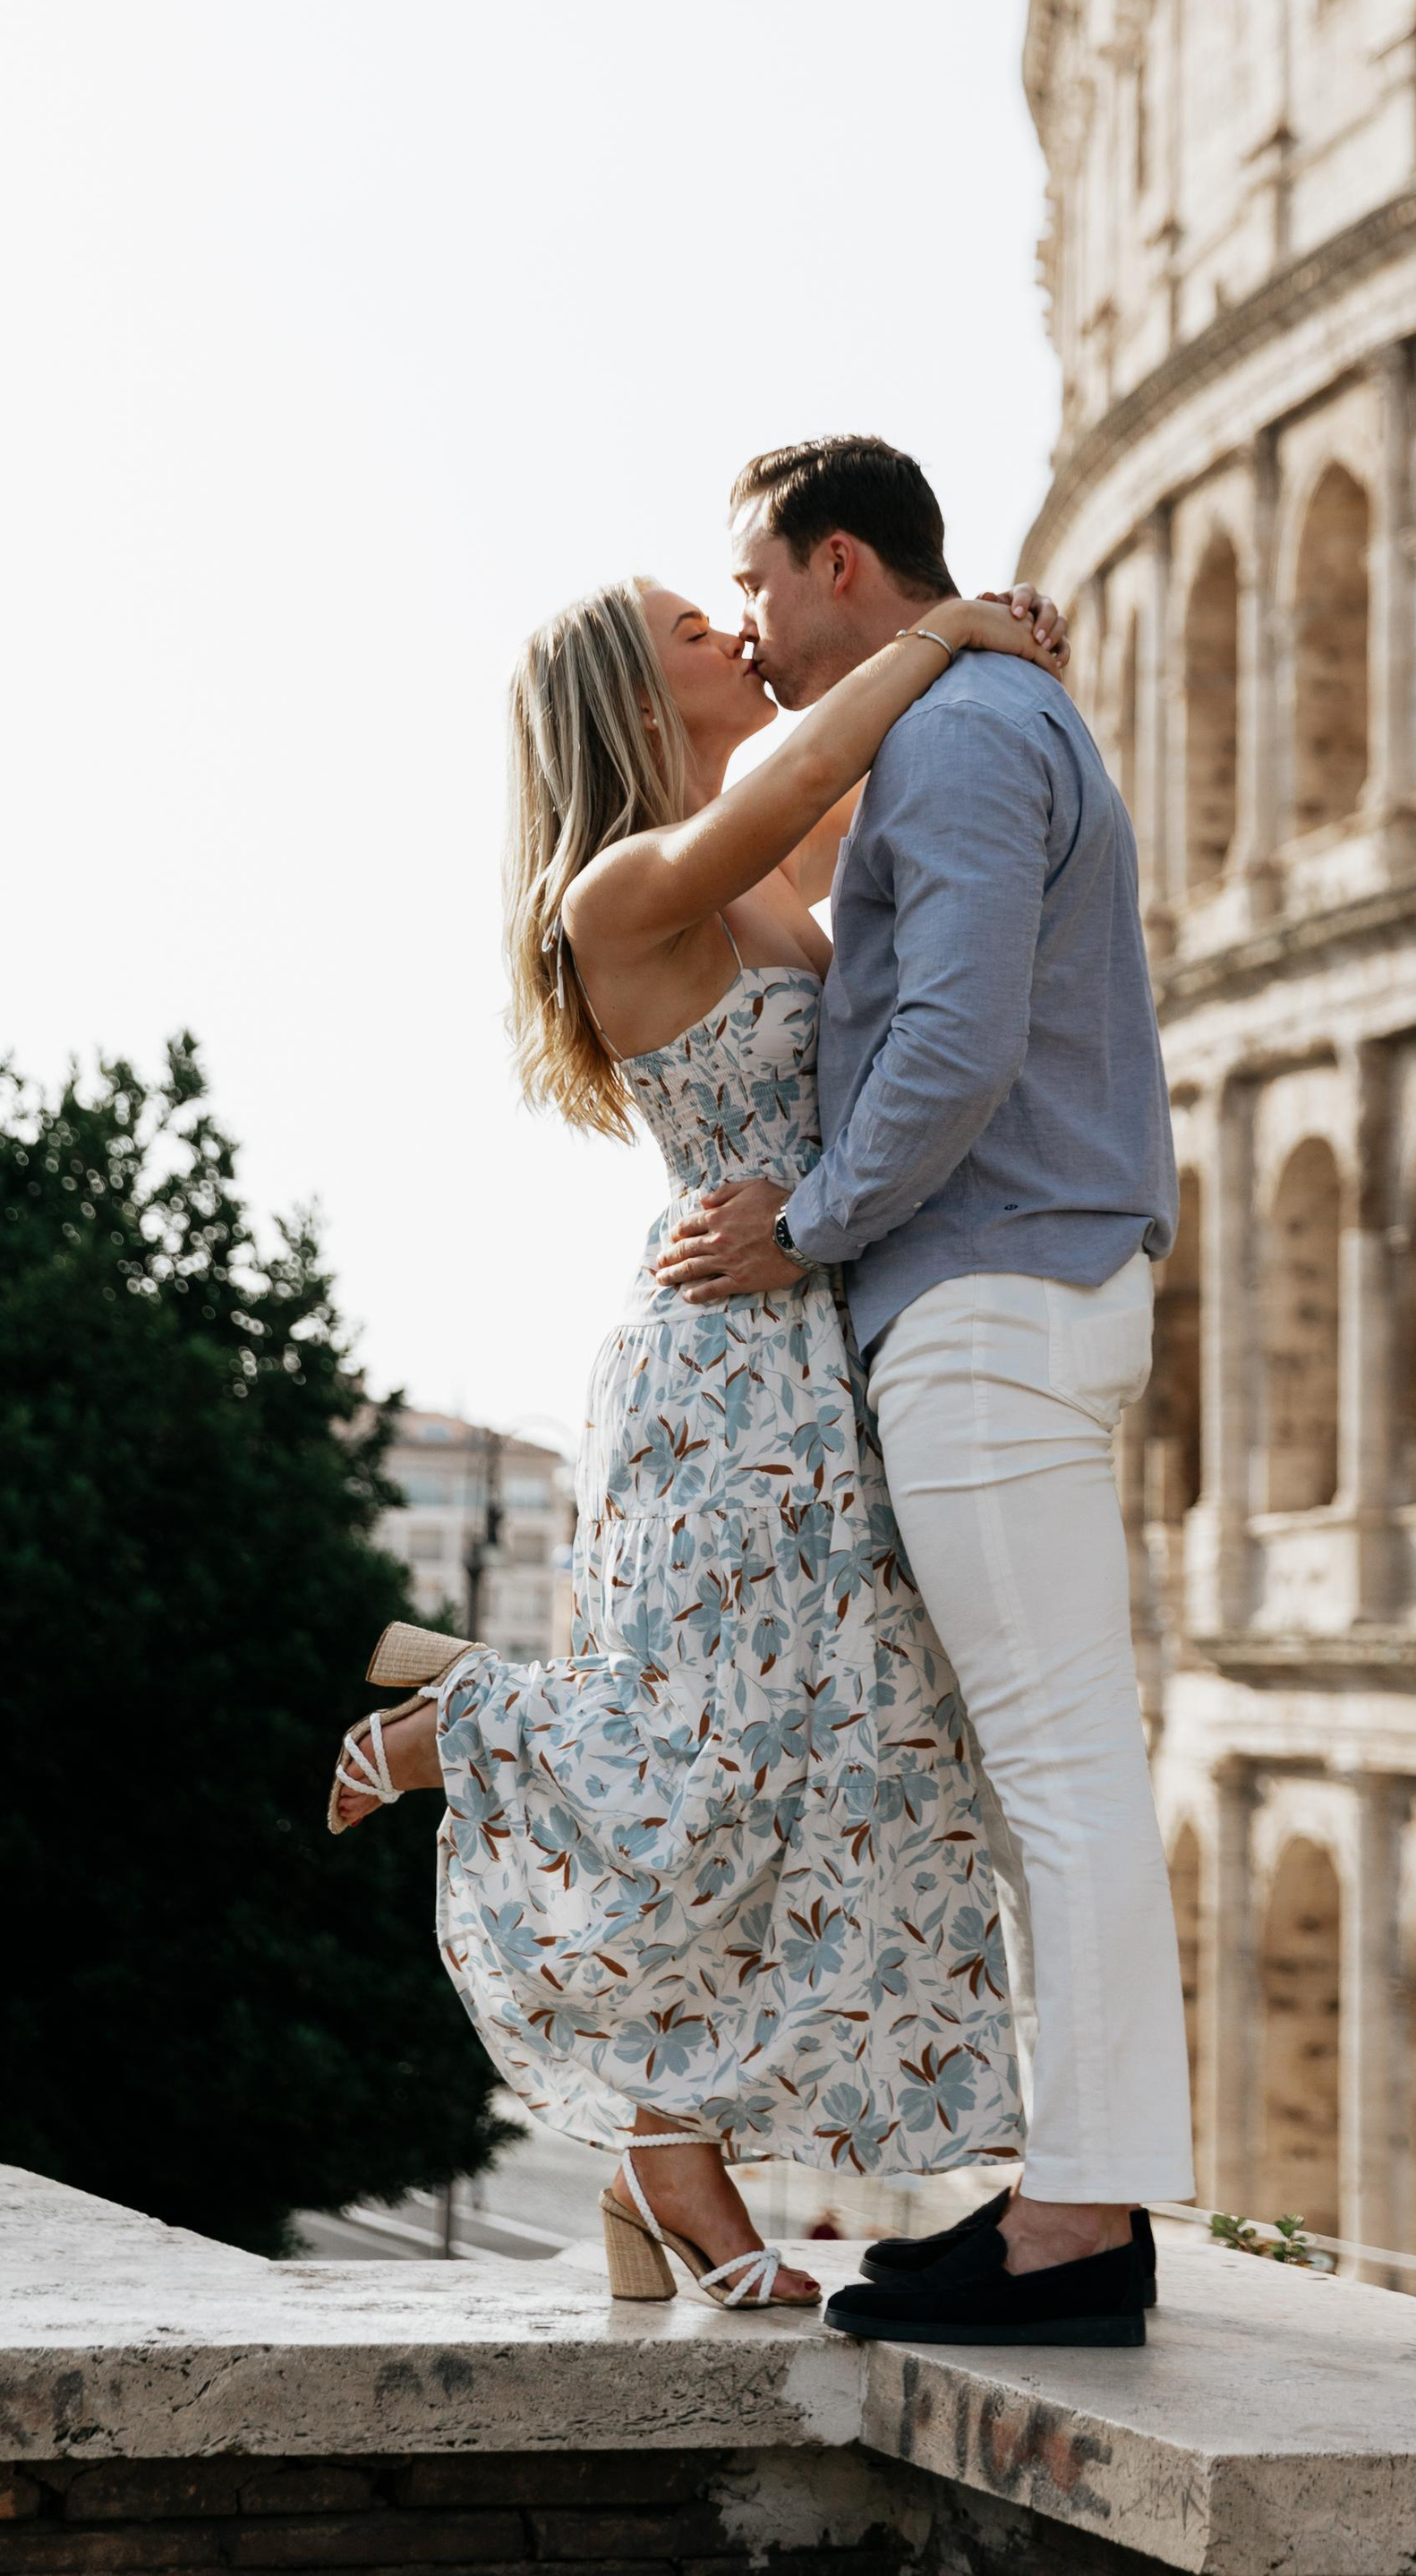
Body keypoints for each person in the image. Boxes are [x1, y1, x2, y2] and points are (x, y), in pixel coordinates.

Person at [324, 563, 1064, 2313]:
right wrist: (944, 630)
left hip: (811, 1362)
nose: (727, 634)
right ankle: (465, 1725)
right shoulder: (626, 886)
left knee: (814, 1761)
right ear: (631, 703)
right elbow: (808, 781)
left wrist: (1014, 666)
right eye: (687, 628)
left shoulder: (760, 881)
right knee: (709, 1755)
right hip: (713, 1385)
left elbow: (892, 811)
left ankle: (665, 2151)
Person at [654, 433, 1191, 2354]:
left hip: (991, 1288)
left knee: (1059, 1773)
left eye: (763, 582)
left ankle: (1078, 2228)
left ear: (843, 566)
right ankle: (1075, 2200)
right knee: (1052, 1771)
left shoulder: (961, 739)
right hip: (1020, 1282)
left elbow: (952, 1033)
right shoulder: (961, 715)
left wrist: (806, 1222)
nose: (750, 625)